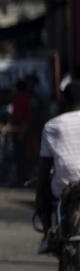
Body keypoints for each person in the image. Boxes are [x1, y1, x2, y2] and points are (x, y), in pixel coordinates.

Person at [35, 82, 80, 253]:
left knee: (43, 195)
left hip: (63, 186)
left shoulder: (52, 126)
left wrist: (40, 190)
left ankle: (47, 235)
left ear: (64, 100)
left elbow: (44, 167)